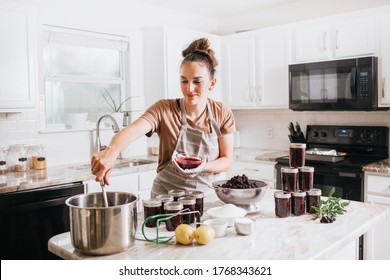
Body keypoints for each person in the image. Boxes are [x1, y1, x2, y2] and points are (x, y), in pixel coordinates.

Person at [91, 37, 236, 199]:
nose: (189, 88)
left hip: (206, 199)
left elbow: (227, 160)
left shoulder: (221, 112)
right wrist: (111, 151)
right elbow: (133, 130)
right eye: (184, 81)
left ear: (212, 83)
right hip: (165, 200)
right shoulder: (164, 109)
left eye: (197, 81)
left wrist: (202, 166)